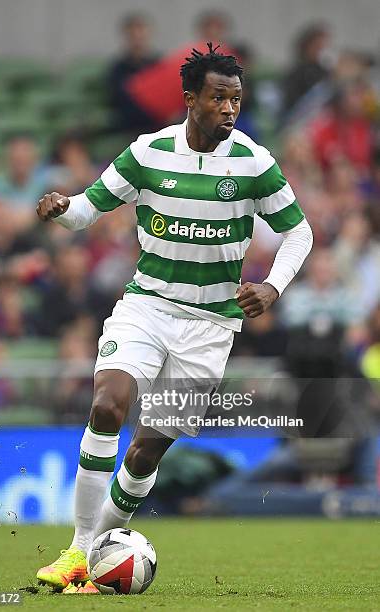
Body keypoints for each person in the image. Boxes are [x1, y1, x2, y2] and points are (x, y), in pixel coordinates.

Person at [35, 43, 313, 593]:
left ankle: (95, 558)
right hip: (147, 307)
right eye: (218, 98)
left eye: (236, 98)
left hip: (210, 328)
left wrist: (273, 286)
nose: (230, 109)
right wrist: (62, 208)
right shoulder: (148, 152)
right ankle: (77, 552)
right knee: (107, 404)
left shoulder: (254, 163)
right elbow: (89, 208)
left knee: (145, 452)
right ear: (191, 100)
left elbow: (299, 232)